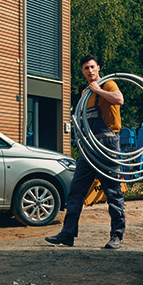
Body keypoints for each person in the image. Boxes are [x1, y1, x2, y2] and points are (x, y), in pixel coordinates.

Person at [46, 54, 126, 249]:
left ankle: (117, 236)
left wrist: (99, 90)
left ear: (98, 67)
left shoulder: (108, 84)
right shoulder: (84, 93)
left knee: (113, 191)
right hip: (89, 145)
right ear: (82, 71)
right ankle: (68, 234)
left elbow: (119, 99)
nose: (89, 71)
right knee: (76, 190)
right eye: (85, 68)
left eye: (92, 67)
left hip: (108, 143)